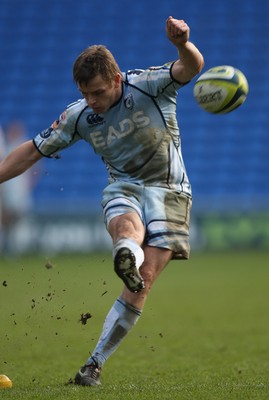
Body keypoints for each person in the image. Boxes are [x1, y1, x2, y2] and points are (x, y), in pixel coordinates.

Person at [0, 16, 204, 386]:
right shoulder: (79, 116)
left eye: (96, 92)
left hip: (171, 190)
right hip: (124, 186)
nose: (90, 101)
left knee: (144, 279)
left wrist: (182, 43)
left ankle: (93, 364)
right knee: (126, 226)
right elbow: (32, 150)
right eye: (84, 94)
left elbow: (191, 66)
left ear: (115, 79)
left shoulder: (148, 85)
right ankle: (125, 249)